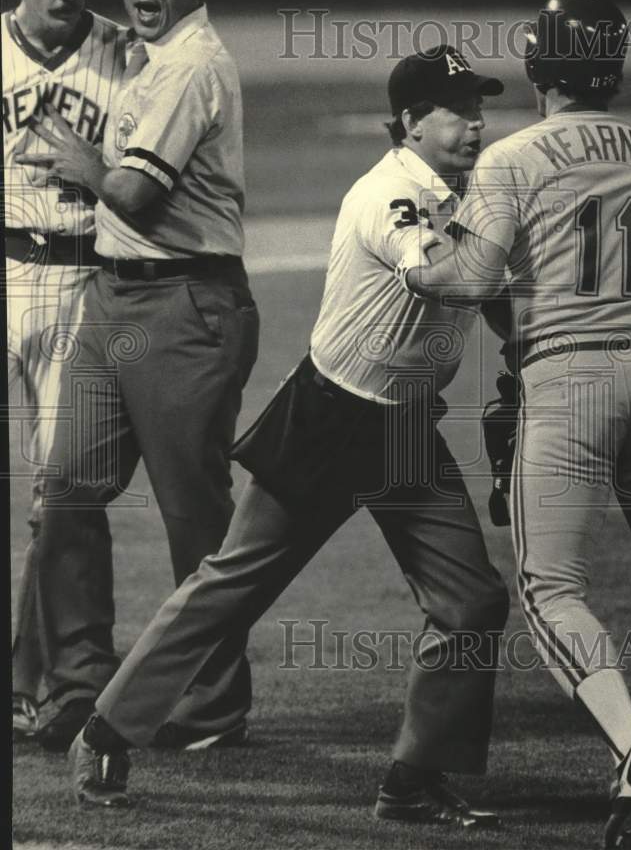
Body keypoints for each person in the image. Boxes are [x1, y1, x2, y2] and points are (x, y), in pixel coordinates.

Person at [66, 44, 510, 826]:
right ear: (410, 122)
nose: (475, 125)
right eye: (457, 111)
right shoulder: (391, 195)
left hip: (404, 427)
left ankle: (414, 779)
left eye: (479, 110)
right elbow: (454, 279)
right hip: (332, 418)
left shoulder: (457, 193)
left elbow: (490, 300)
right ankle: (107, 728)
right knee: (233, 586)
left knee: (471, 601)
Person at [404, 0, 631, 850]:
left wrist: (419, 258)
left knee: (550, 589)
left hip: (568, 381)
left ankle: (630, 740)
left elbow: (468, 281)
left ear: (540, 64)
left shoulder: (510, 158)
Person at [15, 0, 260, 754]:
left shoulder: (193, 66)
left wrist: (83, 166)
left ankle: (213, 705)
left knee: (193, 517)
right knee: (68, 491)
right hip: (115, 302)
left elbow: (132, 196)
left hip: (187, 307)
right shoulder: (150, 59)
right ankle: (80, 687)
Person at [3, 0, 125, 743]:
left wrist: (106, 170)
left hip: (80, 275)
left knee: (63, 494)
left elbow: (167, 168)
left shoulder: (125, 52)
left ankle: (64, 683)